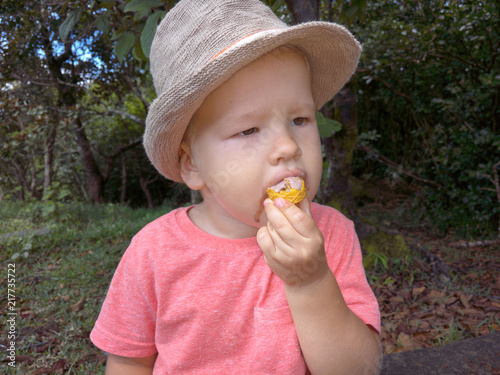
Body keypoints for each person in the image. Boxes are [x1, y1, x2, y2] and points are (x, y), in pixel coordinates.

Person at [90, 0, 381, 374]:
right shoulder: (153, 254)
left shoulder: (332, 236)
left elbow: (360, 369)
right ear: (192, 164)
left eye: (299, 119)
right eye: (248, 130)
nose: (288, 147)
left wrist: (311, 282)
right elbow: (129, 363)